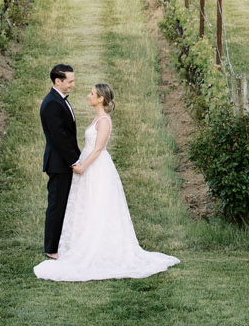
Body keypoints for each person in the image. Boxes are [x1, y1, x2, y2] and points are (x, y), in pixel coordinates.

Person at [33, 80, 180, 281]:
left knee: (99, 204)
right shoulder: (96, 119)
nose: (88, 96)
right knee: (87, 205)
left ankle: (99, 247)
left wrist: (83, 166)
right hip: (88, 166)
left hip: (97, 168)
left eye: (92, 94)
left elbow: (98, 149)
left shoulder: (104, 121)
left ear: (101, 98)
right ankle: (82, 242)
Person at [39, 62, 80, 260]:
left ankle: (60, 243)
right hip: (58, 163)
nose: (73, 84)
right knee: (56, 205)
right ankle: (51, 249)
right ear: (58, 81)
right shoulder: (52, 104)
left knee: (64, 204)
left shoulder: (59, 99)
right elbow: (59, 137)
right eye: (70, 81)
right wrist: (74, 161)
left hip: (63, 162)